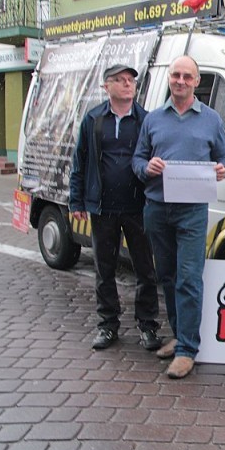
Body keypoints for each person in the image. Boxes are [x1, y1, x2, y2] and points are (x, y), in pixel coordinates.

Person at [132, 55, 225, 379]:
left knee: (189, 278)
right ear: (170, 79)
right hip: (157, 208)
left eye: (187, 76)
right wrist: (146, 167)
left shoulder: (211, 119)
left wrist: (222, 170)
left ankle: (188, 350)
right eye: (176, 75)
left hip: (192, 210)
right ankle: (179, 335)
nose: (181, 81)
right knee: (168, 276)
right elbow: (138, 157)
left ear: (196, 81)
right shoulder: (153, 118)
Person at [69, 64, 161, 351]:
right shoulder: (94, 119)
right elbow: (80, 161)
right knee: (104, 269)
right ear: (105, 86)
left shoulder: (146, 120)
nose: (127, 84)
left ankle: (148, 327)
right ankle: (108, 326)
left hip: (138, 207)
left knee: (145, 270)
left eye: (131, 80)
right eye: (119, 80)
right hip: (102, 208)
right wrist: (76, 200)